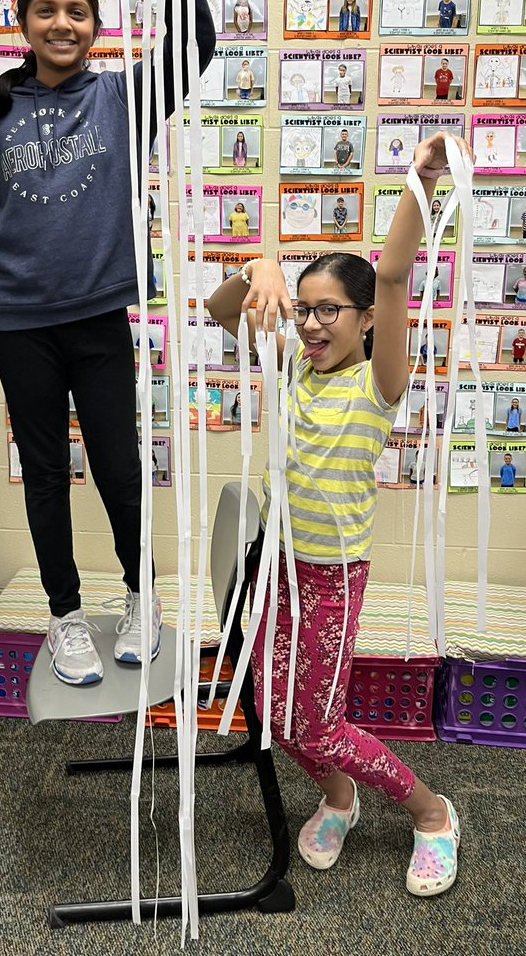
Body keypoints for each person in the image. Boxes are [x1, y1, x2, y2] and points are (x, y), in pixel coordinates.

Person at [0, 0, 216, 687]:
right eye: (47, 10)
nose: (62, 23)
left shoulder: (123, 97)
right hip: (18, 328)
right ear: (21, 19)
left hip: (98, 320)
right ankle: (64, 617)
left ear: (96, 24)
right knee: (43, 475)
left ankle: (141, 597)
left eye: (77, 11)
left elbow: (197, 42)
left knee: (120, 471)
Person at [207, 130, 470, 897]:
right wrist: (257, 268)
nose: (313, 325)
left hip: (331, 579)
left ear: (366, 319)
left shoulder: (376, 385)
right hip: (277, 567)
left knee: (317, 723)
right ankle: (339, 797)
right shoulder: (295, 364)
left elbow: (393, 275)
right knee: (272, 709)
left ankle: (430, 812)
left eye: (331, 311)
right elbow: (220, 310)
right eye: (305, 311)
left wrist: (419, 184)